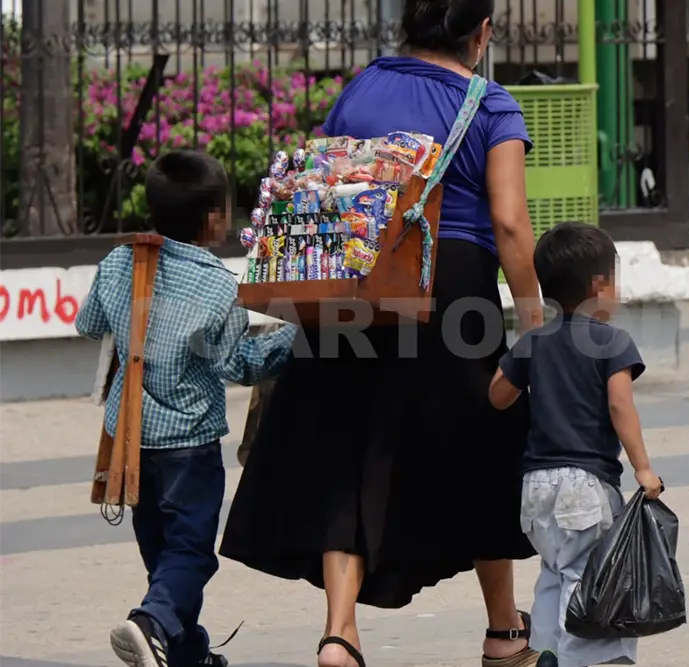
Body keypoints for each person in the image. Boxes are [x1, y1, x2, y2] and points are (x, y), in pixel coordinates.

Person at [218, 1, 544, 666]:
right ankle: (503, 629)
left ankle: (339, 633)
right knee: (481, 441)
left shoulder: (362, 86)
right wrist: (535, 316)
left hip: (360, 278)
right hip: (453, 286)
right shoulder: (490, 104)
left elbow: (331, 183)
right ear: (481, 33)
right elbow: (510, 222)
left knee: (349, 444)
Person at [75, 150, 297, 667]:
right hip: (188, 444)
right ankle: (151, 622)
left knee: (163, 554)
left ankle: (186, 653)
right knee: (191, 551)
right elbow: (238, 364)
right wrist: (296, 337)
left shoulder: (120, 261)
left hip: (131, 439)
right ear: (214, 219)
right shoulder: (218, 285)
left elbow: (89, 324)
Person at [488, 223, 663, 667]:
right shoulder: (612, 341)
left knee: (555, 569)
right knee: (586, 574)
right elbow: (620, 406)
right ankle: (583, 659)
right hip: (584, 487)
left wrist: (528, 370)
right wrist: (643, 468)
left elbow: (498, 394)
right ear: (599, 286)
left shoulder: (534, 342)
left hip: (536, 489)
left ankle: (547, 650)